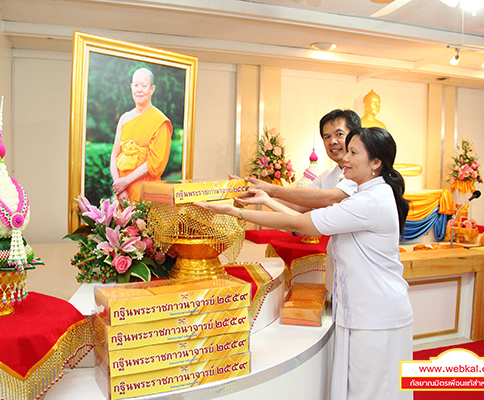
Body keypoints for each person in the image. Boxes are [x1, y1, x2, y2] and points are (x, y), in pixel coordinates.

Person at [197, 127, 413, 400]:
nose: (344, 158)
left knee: (372, 392)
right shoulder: (364, 195)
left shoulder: (371, 201)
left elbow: (302, 224)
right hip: (364, 312)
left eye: (353, 152)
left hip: (377, 316)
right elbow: (307, 222)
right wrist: (266, 200)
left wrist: (239, 212)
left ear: (376, 163)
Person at [239, 109, 362, 212]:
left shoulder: (362, 175)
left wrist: (270, 190)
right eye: (327, 137)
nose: (332, 142)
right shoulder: (325, 177)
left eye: (339, 134)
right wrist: (254, 193)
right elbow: (298, 205)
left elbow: (328, 199)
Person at [110, 67, 173, 202]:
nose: (139, 90)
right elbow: (114, 155)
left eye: (144, 86)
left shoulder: (160, 121)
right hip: (122, 193)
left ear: (152, 89)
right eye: (136, 85)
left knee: (142, 222)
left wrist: (125, 181)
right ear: (131, 87)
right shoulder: (124, 118)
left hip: (146, 191)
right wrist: (119, 185)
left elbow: (154, 163)